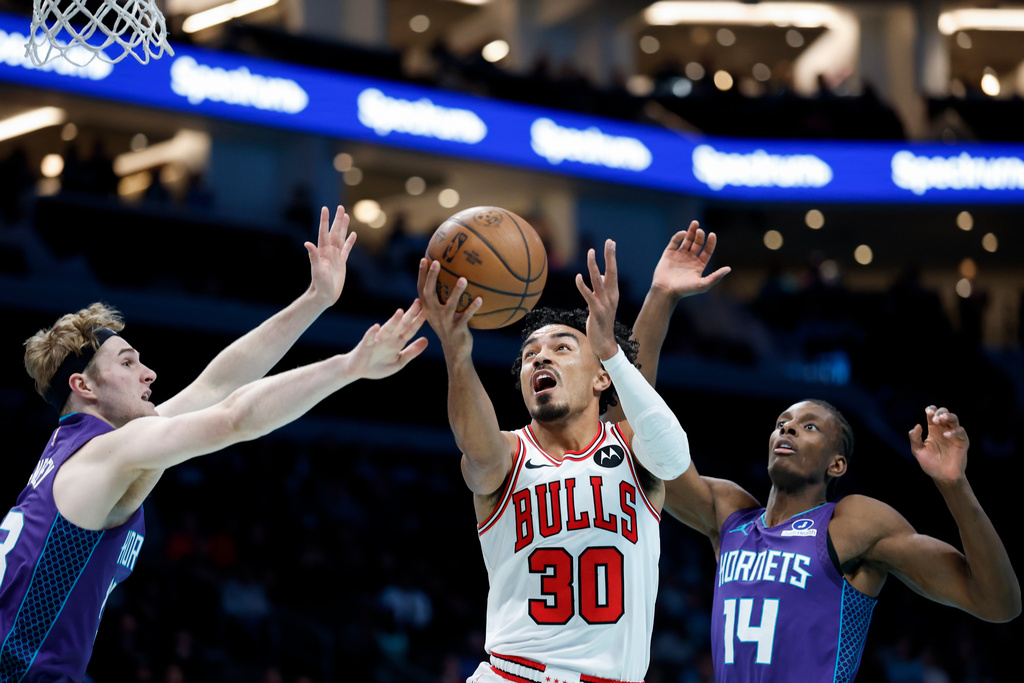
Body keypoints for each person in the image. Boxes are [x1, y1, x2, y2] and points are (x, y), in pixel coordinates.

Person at [0, 206, 428, 681]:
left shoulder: (77, 451)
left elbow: (213, 387)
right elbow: (233, 418)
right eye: (127, 363)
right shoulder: (105, 452)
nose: (149, 373)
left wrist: (314, 299)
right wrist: (348, 367)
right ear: (84, 386)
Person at [624, 229, 1021, 682]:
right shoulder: (728, 515)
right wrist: (659, 297)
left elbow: (999, 604)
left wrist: (955, 486)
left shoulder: (851, 524)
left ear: (837, 464)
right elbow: (634, 428)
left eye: (809, 425)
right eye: (782, 423)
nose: (788, 427)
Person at [416, 229, 726, 683]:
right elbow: (475, 446)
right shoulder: (507, 453)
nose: (541, 359)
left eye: (562, 348)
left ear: (602, 377)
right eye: (529, 356)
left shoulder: (632, 446)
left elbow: (670, 447)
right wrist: (457, 352)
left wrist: (657, 299)